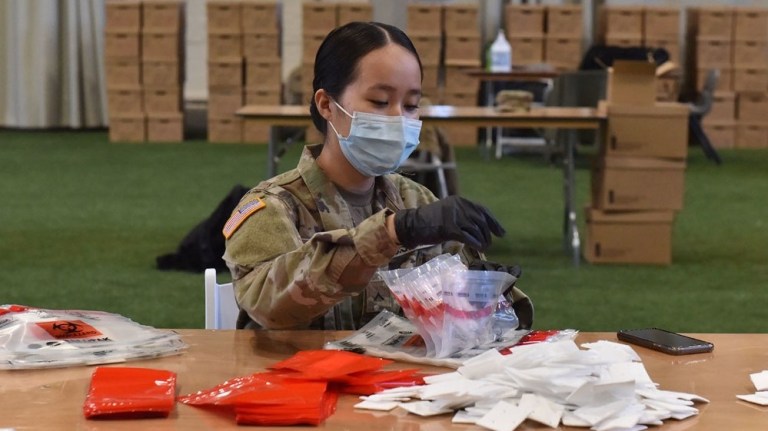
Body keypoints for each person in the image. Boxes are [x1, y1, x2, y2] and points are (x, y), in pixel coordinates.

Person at [223, 21, 532, 330]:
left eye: (411, 105)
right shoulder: (273, 209)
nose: (399, 118)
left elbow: (481, 319)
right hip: (304, 376)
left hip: (402, 378)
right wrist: (392, 232)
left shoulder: (415, 199)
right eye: (380, 102)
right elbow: (270, 308)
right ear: (327, 105)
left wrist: (488, 291)